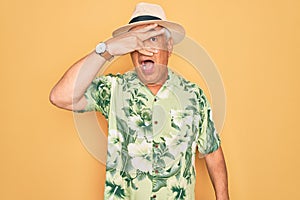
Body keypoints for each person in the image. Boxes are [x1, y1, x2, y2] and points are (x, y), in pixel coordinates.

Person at [50, 2, 229, 200]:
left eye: (152, 38)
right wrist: (107, 49)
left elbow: (212, 152)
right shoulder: (113, 89)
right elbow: (60, 96)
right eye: (136, 42)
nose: (144, 50)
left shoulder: (194, 96)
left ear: (169, 46)